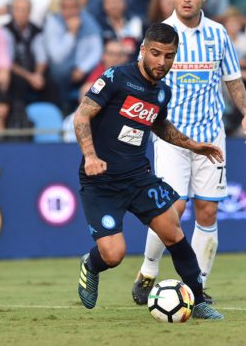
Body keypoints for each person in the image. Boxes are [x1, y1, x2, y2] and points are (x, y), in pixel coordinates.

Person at [74, 22, 225, 320]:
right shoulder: (117, 78)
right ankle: (91, 264)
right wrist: (90, 156)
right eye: (156, 53)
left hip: (138, 177)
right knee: (113, 255)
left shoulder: (162, 92)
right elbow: (81, 116)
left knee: (173, 232)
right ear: (143, 50)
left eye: (169, 56)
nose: (162, 62)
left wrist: (192, 145)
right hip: (101, 181)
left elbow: (158, 124)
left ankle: (197, 301)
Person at [132, 0, 246, 306]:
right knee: (171, 208)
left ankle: (196, 288)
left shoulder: (218, 34)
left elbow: (232, 78)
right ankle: (148, 270)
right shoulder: (160, 35)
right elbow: (140, 80)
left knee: (208, 212)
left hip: (210, 137)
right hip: (170, 135)